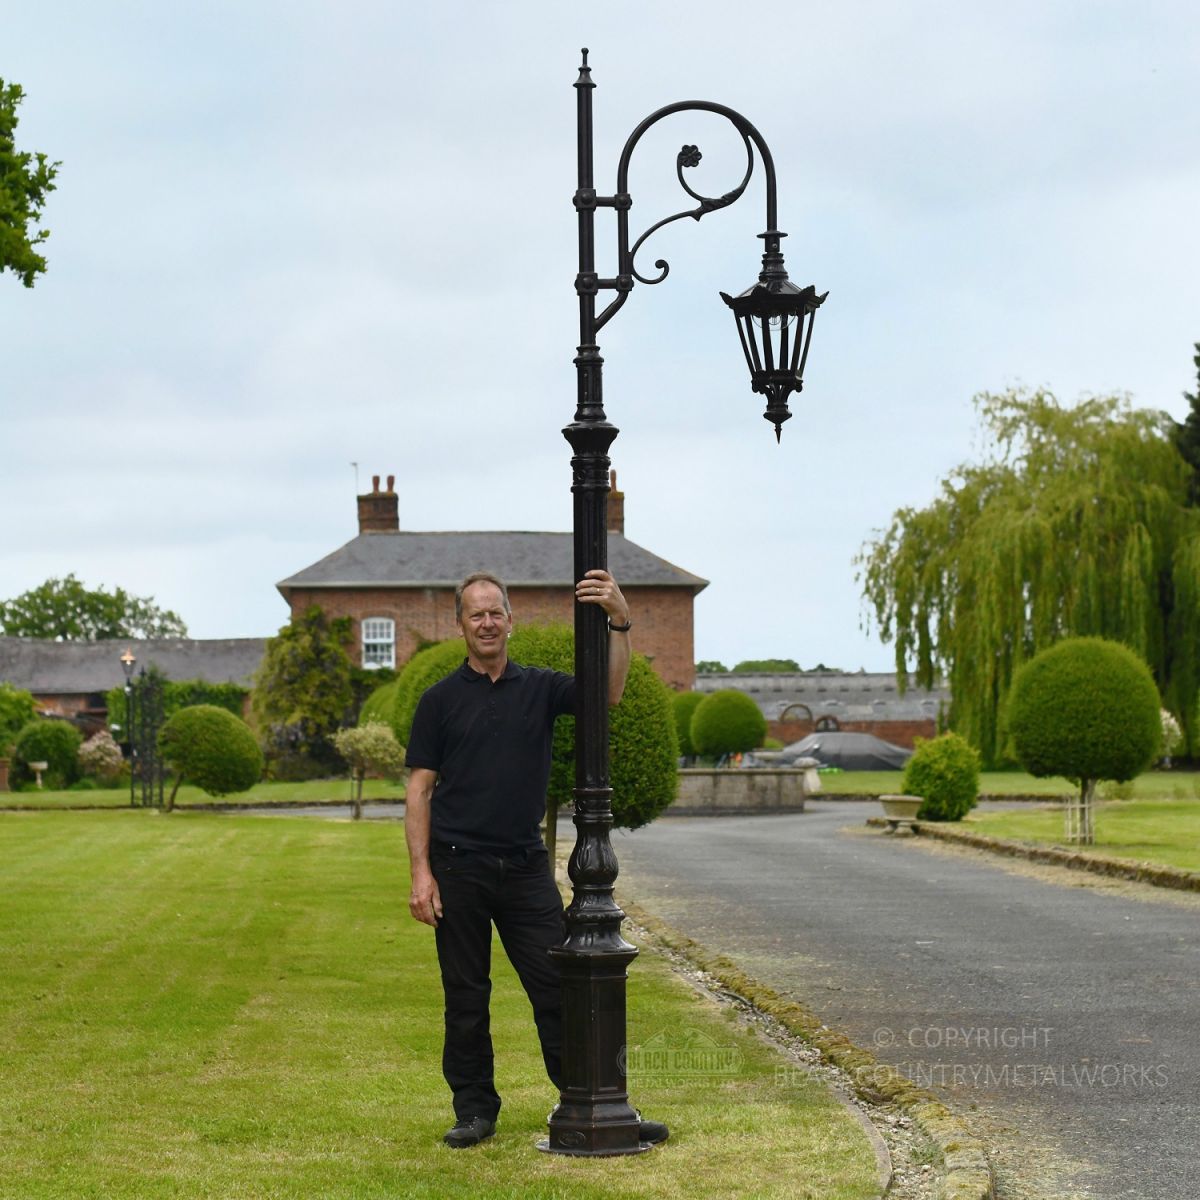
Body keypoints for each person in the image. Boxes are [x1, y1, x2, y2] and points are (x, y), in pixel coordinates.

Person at [405, 568, 668, 1150]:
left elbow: (611, 693)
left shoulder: (541, 687)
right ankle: (475, 1110)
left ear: (510, 619)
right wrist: (422, 874)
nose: (487, 622)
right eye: (476, 614)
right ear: (460, 625)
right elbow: (419, 791)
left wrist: (620, 620)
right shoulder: (439, 701)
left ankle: (592, 1100)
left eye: (496, 612)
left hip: (524, 867)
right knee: (467, 997)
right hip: (459, 867)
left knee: (558, 988)